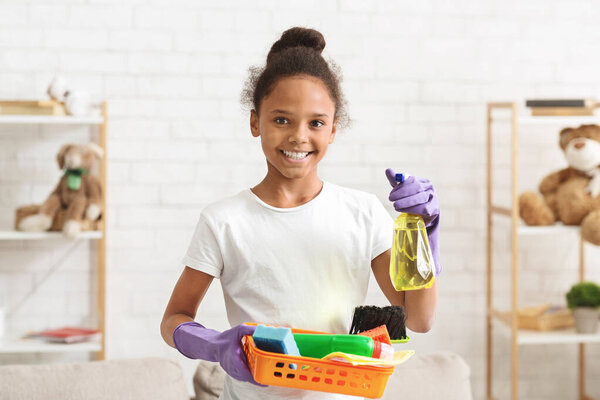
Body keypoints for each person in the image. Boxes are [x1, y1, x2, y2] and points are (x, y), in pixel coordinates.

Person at [160, 26, 441, 400]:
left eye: (316, 123)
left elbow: (419, 318)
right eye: (281, 120)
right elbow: (174, 318)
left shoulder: (362, 213)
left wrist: (423, 233)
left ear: (333, 130)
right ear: (254, 122)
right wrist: (214, 345)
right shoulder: (224, 221)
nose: (299, 136)